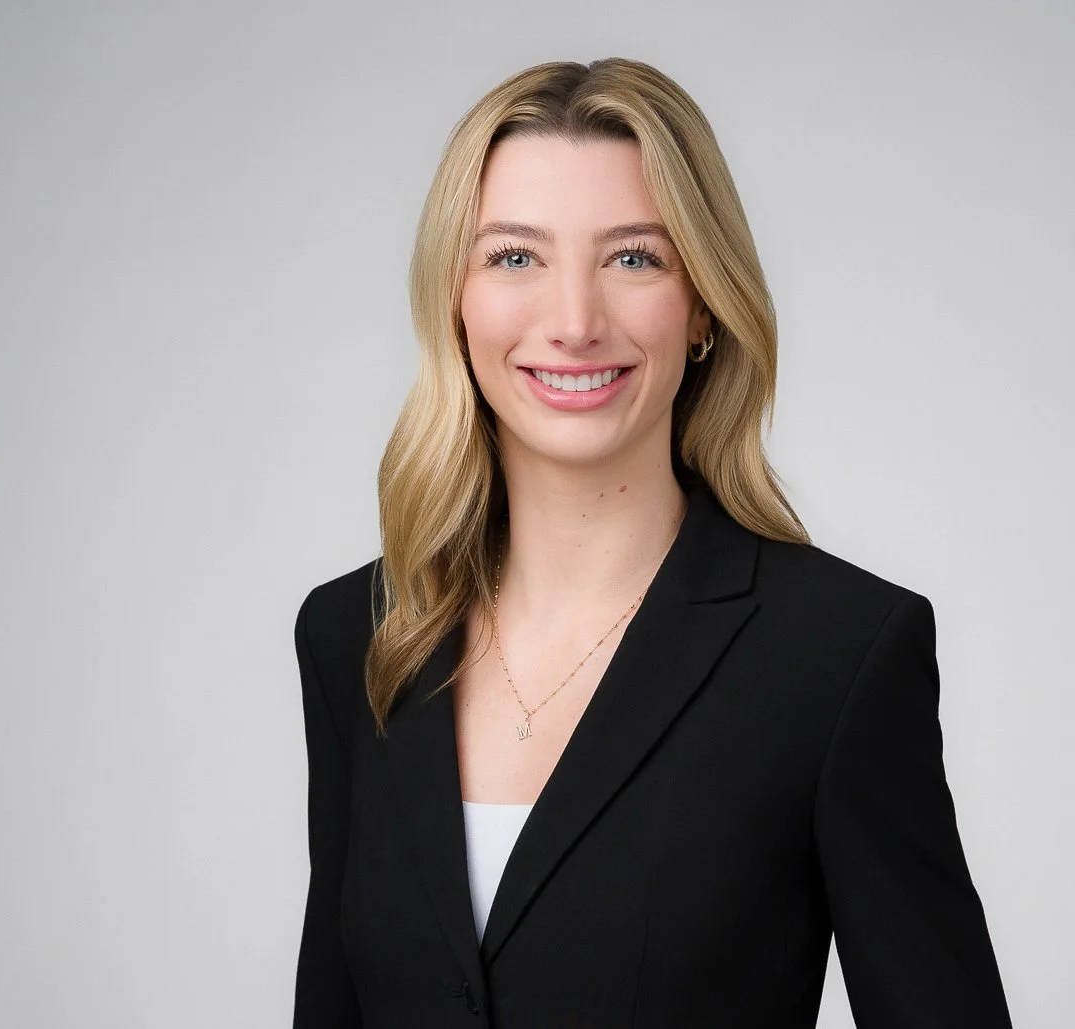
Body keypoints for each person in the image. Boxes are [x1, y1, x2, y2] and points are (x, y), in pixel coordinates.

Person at [292, 57, 1013, 1028]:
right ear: (453, 300)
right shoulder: (359, 634)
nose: (574, 323)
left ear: (703, 303)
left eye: (633, 258)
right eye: (515, 258)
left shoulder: (836, 655)